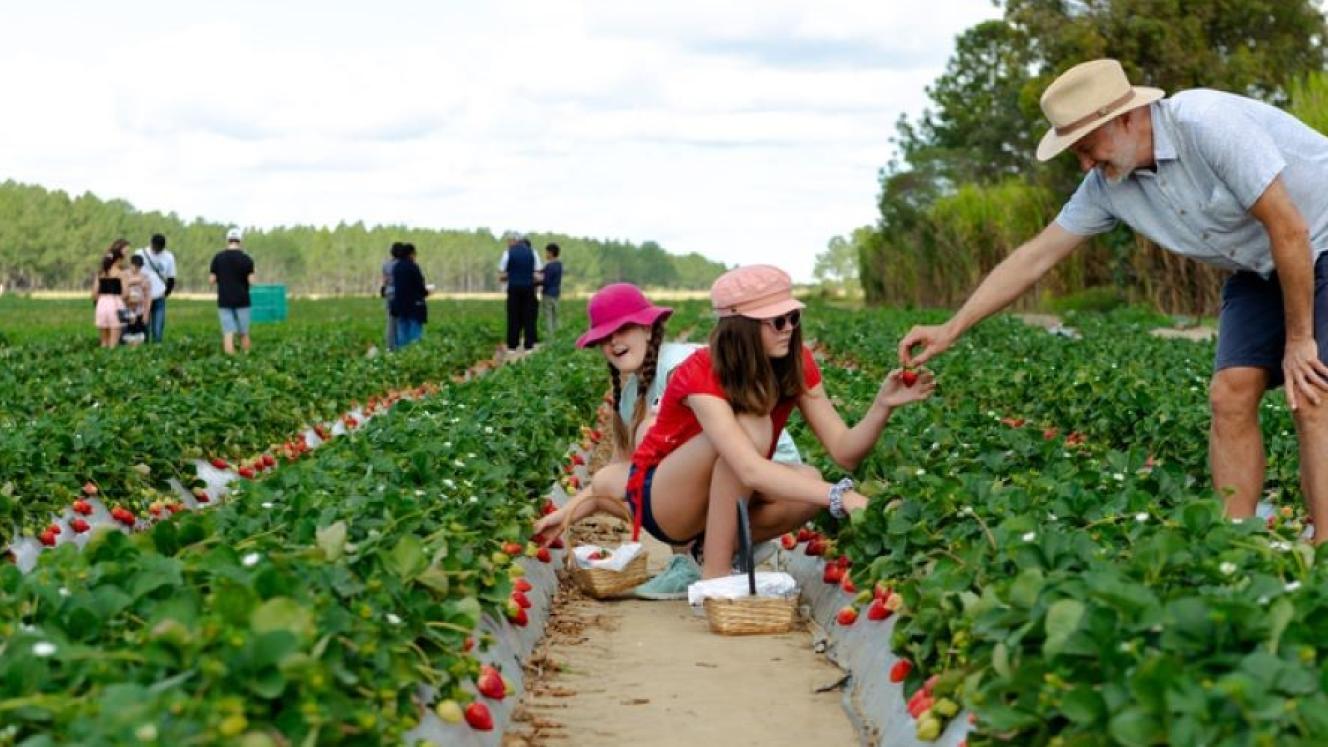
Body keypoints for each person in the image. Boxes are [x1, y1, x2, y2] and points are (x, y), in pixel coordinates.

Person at [898, 58, 1328, 542]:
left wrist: (1299, 340)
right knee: (1229, 393)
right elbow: (1034, 257)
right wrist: (951, 327)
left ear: (1125, 117)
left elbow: (1289, 229)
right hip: (1257, 264)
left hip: (1316, 236)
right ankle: (1235, 548)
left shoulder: (1206, 124)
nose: (1084, 164)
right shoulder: (1106, 185)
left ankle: (1324, 557)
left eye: (1086, 147)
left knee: (1311, 391)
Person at [549, 266, 936, 581]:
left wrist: (883, 405)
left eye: (791, 316)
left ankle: (708, 549)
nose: (787, 326)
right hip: (668, 501)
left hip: (719, 494)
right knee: (752, 430)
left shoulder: (796, 363)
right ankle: (715, 577)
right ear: (741, 326)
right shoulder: (700, 371)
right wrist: (842, 497)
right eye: (774, 320)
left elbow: (846, 453)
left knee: (808, 476)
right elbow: (747, 465)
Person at [209, 227, 255, 355]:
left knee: (228, 332)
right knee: (244, 332)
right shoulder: (247, 259)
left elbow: (211, 280)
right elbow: (252, 281)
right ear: (240, 240)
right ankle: (247, 357)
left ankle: (230, 357)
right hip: (242, 300)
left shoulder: (218, 258)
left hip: (224, 300)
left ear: (227, 240)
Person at [499, 233, 541, 355]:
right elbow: (537, 271)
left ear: (514, 241)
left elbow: (502, 272)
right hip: (528, 288)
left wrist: (511, 275)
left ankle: (512, 345)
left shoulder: (507, 253)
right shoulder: (533, 252)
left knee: (513, 316)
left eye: (509, 241)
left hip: (513, 288)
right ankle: (529, 345)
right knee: (529, 316)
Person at [134, 233, 176, 343]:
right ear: (151, 243)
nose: (156, 251)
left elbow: (171, 277)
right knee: (144, 327)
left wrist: (166, 293)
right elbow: (133, 272)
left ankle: (157, 347)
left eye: (159, 249)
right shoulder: (140, 253)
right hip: (142, 296)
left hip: (159, 296)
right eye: (155, 248)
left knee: (158, 329)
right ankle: (145, 347)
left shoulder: (169, 256)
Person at [92, 239, 130, 348]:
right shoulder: (121, 274)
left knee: (104, 342)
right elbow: (126, 293)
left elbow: (94, 293)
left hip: (101, 305)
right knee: (114, 342)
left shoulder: (100, 273)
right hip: (116, 304)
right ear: (119, 259)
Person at [391, 243, 429, 348]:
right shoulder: (413, 267)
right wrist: (426, 292)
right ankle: (413, 356)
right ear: (411, 254)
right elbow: (419, 286)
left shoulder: (396, 267)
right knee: (415, 335)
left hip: (400, 305)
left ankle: (402, 357)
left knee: (402, 334)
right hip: (414, 305)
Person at [122, 255, 151, 346]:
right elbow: (121, 288)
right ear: (131, 264)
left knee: (141, 336)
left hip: (140, 310)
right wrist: (134, 281)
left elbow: (148, 296)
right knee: (125, 336)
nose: (137, 269)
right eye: (136, 266)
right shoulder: (124, 275)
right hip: (126, 310)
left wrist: (146, 313)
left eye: (139, 267)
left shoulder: (145, 277)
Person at [381, 242, 403, 351]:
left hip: (389, 293)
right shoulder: (402, 265)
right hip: (400, 294)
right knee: (401, 321)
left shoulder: (386, 265)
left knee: (391, 321)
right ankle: (399, 345)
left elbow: (384, 281)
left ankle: (390, 346)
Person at [538, 243, 563, 337]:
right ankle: (559, 335)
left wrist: (535, 282)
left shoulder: (549, 266)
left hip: (547, 293)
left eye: (547, 252)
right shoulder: (559, 265)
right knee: (556, 316)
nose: (546, 254)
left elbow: (546, 281)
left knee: (548, 316)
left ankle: (550, 336)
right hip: (556, 293)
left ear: (551, 253)